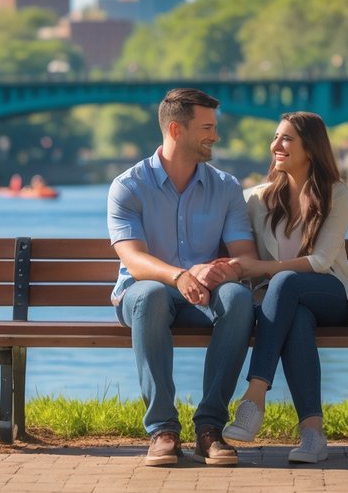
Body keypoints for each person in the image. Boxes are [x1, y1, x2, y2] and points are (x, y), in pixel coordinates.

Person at [108, 87, 258, 468]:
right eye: (207, 127)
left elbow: (245, 257)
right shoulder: (128, 186)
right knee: (151, 295)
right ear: (176, 130)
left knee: (239, 299)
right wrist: (180, 275)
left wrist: (221, 269)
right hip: (143, 298)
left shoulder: (225, 187)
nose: (215, 136)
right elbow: (134, 259)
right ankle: (162, 429)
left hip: (202, 297)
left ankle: (209, 429)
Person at [221, 112, 348, 464]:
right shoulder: (256, 200)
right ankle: (313, 435)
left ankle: (254, 396)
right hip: (285, 304)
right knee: (297, 316)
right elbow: (228, 237)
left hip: (331, 295)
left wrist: (263, 268)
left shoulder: (335, 195)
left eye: (286, 138)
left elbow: (320, 261)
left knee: (286, 281)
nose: (276, 145)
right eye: (275, 137)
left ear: (311, 149)